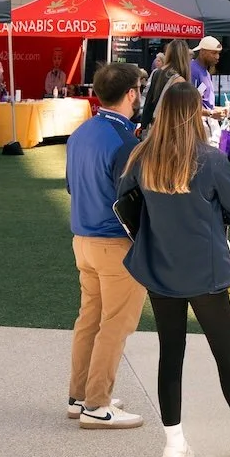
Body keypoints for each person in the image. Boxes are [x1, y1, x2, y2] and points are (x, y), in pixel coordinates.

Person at [118, 81, 230, 457]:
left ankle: (173, 444)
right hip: (204, 268)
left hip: (160, 266)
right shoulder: (209, 158)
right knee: (226, 354)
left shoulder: (141, 157)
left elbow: (125, 203)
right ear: (193, 114)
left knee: (170, 355)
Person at [63, 62, 147, 429]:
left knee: (91, 320)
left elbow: (71, 185)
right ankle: (96, 405)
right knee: (115, 324)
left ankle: (81, 396)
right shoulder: (125, 141)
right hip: (115, 243)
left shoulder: (81, 133)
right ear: (131, 93)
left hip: (83, 240)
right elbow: (135, 198)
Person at [141, 40, 191, 127]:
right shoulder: (179, 79)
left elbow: (149, 101)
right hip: (169, 128)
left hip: (155, 125)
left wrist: (143, 125)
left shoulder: (157, 72)